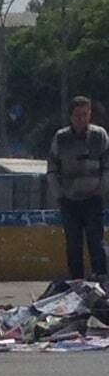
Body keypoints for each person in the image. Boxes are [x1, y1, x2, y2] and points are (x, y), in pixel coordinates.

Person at [47, 96, 109, 280]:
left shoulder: (100, 136)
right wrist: (60, 195)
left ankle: (102, 282)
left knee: (95, 242)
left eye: (85, 114)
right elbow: (52, 169)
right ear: (70, 117)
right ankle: (77, 283)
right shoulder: (61, 138)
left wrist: (101, 190)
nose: (81, 118)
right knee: (73, 245)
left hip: (93, 199)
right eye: (77, 115)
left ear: (90, 114)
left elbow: (107, 166)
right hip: (69, 201)